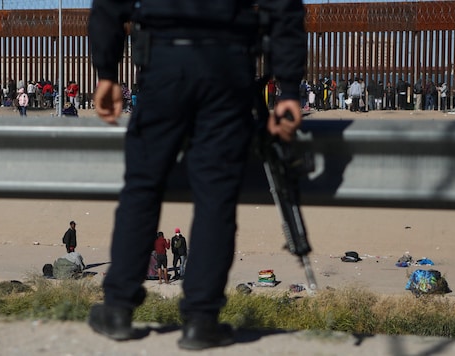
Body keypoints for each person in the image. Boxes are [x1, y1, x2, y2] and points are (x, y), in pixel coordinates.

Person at [86, 0, 305, 350]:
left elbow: (109, 6)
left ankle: (117, 310)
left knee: (142, 187)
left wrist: (107, 74)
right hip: (228, 65)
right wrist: (289, 90)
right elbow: (285, 8)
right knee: (216, 196)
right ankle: (201, 321)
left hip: (164, 62)